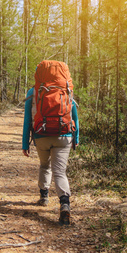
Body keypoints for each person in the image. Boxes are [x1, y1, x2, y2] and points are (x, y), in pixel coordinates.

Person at [21, 63, 79, 226]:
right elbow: (74, 115)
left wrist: (25, 143)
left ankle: (44, 196)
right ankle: (65, 204)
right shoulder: (66, 89)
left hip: (41, 135)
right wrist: (76, 136)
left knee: (45, 165)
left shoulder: (33, 92)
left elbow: (27, 120)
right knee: (60, 172)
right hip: (64, 135)